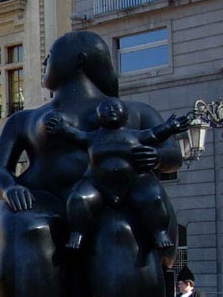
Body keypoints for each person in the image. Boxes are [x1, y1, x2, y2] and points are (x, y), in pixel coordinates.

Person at [0, 30, 182, 297]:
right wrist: (10, 189)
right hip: (42, 202)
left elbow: (171, 154)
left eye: (49, 57)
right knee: (26, 231)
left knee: (120, 234)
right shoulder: (25, 119)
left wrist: (153, 156)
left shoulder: (135, 112)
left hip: (114, 201)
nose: (43, 64)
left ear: (79, 59)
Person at [45, 98, 187, 251]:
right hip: (97, 183)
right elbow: (75, 135)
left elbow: (154, 133)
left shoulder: (135, 136)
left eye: (115, 108)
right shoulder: (92, 137)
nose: (110, 110)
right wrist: (61, 128)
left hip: (133, 181)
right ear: (98, 117)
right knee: (78, 199)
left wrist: (169, 127)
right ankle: (77, 233)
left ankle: (159, 232)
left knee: (153, 197)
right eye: (105, 109)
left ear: (125, 116)